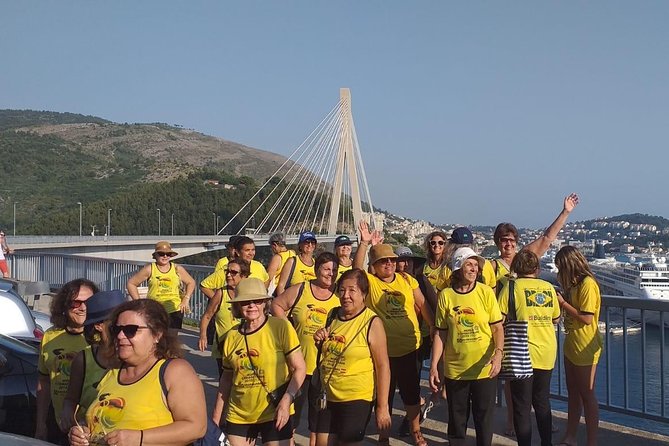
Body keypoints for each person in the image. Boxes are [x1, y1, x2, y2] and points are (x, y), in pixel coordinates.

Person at [492, 192, 579, 437]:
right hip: (511, 335)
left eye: (511, 240)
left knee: (527, 394)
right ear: (497, 243)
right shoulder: (491, 266)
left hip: (526, 339)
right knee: (516, 388)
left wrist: (565, 212)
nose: (507, 244)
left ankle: (519, 425)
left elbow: (547, 237)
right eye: (503, 240)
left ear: (516, 242)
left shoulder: (524, 259)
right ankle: (513, 422)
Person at [68, 299, 207, 446]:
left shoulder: (174, 371)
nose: (121, 336)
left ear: (157, 334)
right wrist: (82, 431)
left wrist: (140, 438)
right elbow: (102, 417)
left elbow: (196, 427)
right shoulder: (113, 371)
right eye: (116, 330)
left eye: (130, 330)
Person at [353, 221, 433, 446]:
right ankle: (384, 436)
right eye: (383, 261)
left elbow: (423, 305)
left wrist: (435, 328)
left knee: (411, 394)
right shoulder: (370, 283)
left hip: (409, 348)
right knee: (384, 396)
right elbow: (356, 270)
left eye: (392, 260)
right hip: (382, 353)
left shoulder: (407, 280)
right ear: (375, 265)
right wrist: (364, 244)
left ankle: (416, 431)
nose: (389, 264)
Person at [213, 278, 306, 446]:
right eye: (245, 302)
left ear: (265, 303)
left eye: (257, 300)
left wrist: (287, 399)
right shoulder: (231, 337)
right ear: (237, 307)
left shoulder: (281, 328)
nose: (251, 306)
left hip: (276, 410)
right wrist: (215, 419)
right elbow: (226, 380)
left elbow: (299, 368)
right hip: (240, 413)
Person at [429, 247, 504, 446]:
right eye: (469, 264)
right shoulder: (446, 296)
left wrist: (498, 355)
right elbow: (441, 332)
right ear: (457, 267)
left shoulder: (486, 292)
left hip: (484, 369)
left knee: (484, 420)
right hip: (456, 370)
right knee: (456, 420)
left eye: (476, 266)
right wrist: (435, 365)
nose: (474, 269)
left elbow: (497, 328)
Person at [312, 269, 392, 446]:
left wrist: (382, 407)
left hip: (357, 397)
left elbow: (383, 366)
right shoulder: (333, 314)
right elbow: (330, 349)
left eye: (352, 290)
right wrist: (319, 340)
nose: (345, 295)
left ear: (363, 294)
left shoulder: (372, 322)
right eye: (341, 290)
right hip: (329, 394)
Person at [271, 252, 340, 445]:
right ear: (317, 269)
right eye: (326, 269)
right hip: (298, 366)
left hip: (325, 369)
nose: (331, 274)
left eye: (334, 270)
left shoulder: (340, 295)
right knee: (292, 412)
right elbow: (276, 304)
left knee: (318, 420)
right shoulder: (302, 289)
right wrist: (288, 329)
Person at [498, 250, 561, 446]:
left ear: (516, 267)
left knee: (521, 406)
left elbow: (499, 318)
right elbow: (556, 317)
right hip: (547, 350)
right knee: (542, 401)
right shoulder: (548, 287)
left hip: (520, 352)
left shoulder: (511, 287)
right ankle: (546, 443)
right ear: (537, 268)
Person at [36, 278, 98, 445]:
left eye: (89, 302)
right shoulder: (50, 337)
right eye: (76, 303)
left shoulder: (102, 337)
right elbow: (44, 381)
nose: (83, 308)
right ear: (64, 304)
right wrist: (41, 423)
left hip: (92, 430)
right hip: (59, 425)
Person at [555, 246, 602, 446]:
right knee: (573, 393)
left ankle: (592, 441)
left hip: (585, 346)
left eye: (560, 268)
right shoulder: (574, 285)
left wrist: (563, 303)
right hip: (572, 343)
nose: (558, 272)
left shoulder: (587, 285)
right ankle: (570, 436)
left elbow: (587, 318)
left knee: (587, 394)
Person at [61, 289, 127, 433]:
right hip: (89, 436)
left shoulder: (134, 357)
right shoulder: (84, 359)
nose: (122, 329)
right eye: (115, 323)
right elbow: (71, 398)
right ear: (98, 326)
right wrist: (67, 411)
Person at [126, 241, 196, 331]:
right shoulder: (150, 269)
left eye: (168, 254)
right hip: (154, 310)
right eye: (161, 254)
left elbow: (191, 282)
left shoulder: (177, 269)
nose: (165, 256)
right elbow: (131, 283)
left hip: (174, 308)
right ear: (156, 256)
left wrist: (186, 299)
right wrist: (139, 302)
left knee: (171, 338)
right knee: (156, 337)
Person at [198, 258, 250, 375]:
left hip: (247, 347)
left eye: (233, 272)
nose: (228, 275)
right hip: (223, 347)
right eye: (227, 271)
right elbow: (207, 316)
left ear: (244, 275)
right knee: (225, 381)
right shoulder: (221, 293)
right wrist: (203, 335)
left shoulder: (251, 295)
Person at [201, 236, 269, 298]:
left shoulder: (258, 266)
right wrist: (218, 301)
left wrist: (262, 297)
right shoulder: (228, 269)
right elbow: (204, 286)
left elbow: (266, 280)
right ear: (238, 252)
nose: (251, 253)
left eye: (253, 250)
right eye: (247, 250)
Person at [433, 227, 497, 292]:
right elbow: (493, 292)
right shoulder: (486, 264)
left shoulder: (447, 268)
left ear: (451, 246)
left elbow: (440, 295)